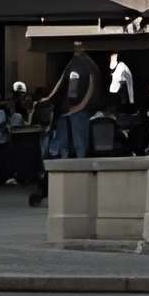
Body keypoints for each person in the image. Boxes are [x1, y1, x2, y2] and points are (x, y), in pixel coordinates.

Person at [29, 47, 101, 201]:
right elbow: (62, 82)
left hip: (75, 111)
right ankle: (64, 178)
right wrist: (50, 100)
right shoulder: (74, 63)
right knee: (64, 147)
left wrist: (80, 106)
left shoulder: (86, 65)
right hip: (67, 111)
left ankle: (78, 179)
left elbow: (90, 87)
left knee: (76, 144)